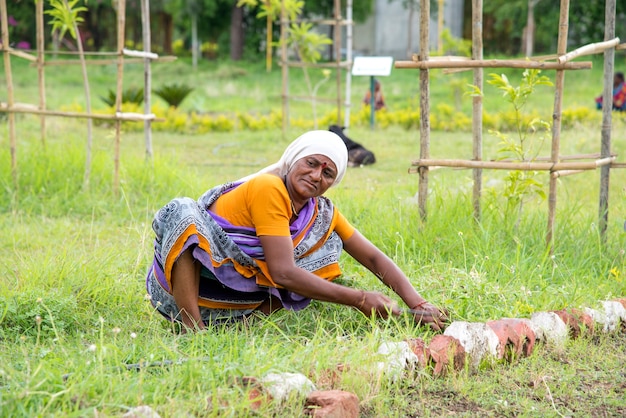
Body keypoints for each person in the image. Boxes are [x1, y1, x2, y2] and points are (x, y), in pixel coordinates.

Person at [146, 130, 448, 332]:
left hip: (236, 292)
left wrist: (418, 304)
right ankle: (192, 329)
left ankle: (247, 321)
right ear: (293, 161)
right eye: (311, 163)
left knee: (327, 241)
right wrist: (359, 299)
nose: (316, 175)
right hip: (197, 283)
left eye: (327, 173)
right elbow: (284, 273)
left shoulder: (316, 210)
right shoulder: (268, 187)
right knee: (183, 212)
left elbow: (371, 257)